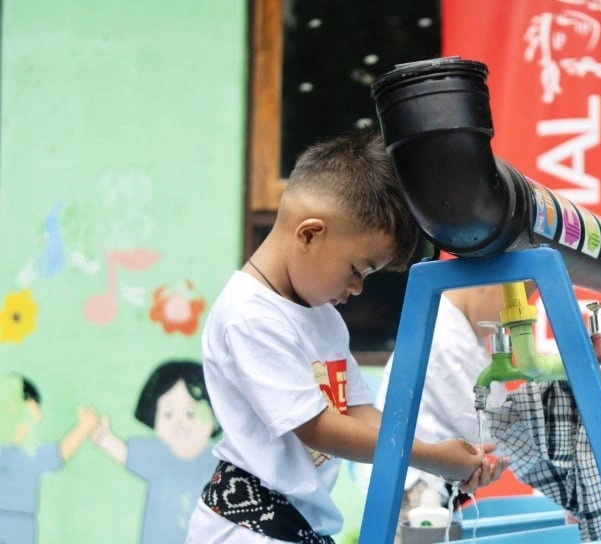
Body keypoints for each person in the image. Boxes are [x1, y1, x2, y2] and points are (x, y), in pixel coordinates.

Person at [183, 130, 508, 544]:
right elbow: (319, 428)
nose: (356, 290)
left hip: (295, 525)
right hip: (248, 528)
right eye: (357, 270)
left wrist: (439, 454)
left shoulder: (322, 315)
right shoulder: (248, 316)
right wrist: (429, 455)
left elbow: (358, 411)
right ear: (309, 234)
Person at [373, 284, 513, 538]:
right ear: (490, 284)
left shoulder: (453, 328)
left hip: (428, 482)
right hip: (417, 491)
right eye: (513, 300)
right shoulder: (449, 339)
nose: (511, 317)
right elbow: (490, 426)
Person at [91, 359, 220, 544]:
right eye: (167, 413)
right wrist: (103, 437)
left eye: (191, 412)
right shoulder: (157, 455)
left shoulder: (217, 460)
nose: (180, 423)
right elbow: (125, 453)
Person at [0, 373, 99, 544]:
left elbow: (60, 452)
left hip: (21, 524)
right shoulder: (28, 455)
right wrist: (83, 428)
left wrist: (83, 428)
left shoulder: (30, 454)